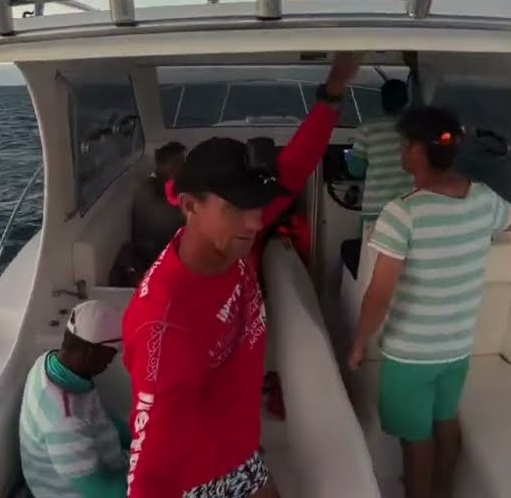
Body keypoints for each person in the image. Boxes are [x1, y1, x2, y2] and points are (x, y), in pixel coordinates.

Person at [122, 53, 362, 498]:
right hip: (197, 480)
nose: (255, 223)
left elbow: (295, 167)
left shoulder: (229, 235)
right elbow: (150, 460)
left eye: (255, 205)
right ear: (190, 205)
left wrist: (333, 91)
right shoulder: (165, 322)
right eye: (236, 207)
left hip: (241, 454)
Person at [347, 106, 511, 498]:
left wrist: (358, 343)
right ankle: (443, 491)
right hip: (456, 348)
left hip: (410, 355)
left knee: (416, 443)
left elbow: (380, 292)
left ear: (419, 152)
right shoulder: (484, 200)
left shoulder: (401, 213)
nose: (401, 152)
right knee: (446, 423)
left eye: (404, 146)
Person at [19, 300, 130, 498]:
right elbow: (102, 492)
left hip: (108, 467)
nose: (113, 360)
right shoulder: (64, 422)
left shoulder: (49, 363)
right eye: (112, 354)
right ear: (91, 352)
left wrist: (141, 439)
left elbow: (100, 416)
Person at [346, 78, 413, 232]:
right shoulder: (413, 129)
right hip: (408, 208)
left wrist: (350, 157)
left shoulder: (368, 128)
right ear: (406, 101)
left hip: (375, 210)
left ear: (382, 101)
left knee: (370, 254)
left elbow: (356, 170)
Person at [130, 141, 187, 272]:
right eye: (179, 161)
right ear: (166, 165)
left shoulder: (170, 185)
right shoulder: (152, 191)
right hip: (155, 252)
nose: (183, 166)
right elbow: (166, 221)